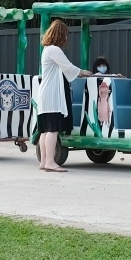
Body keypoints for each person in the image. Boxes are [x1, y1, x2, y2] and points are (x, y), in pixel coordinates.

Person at [38, 20, 93, 172]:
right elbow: (68, 67)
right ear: (60, 35)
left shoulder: (47, 50)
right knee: (53, 129)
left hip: (46, 93)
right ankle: (50, 161)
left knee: (45, 129)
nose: (66, 38)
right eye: (65, 35)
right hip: (52, 94)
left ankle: (44, 161)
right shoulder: (54, 50)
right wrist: (84, 72)